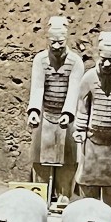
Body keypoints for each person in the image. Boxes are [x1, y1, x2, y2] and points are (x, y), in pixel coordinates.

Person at [74, 31, 111, 216]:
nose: (107, 64)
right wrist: (80, 130)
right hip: (92, 141)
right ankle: (88, 220)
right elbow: (83, 107)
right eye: (103, 60)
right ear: (97, 56)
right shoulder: (88, 78)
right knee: (88, 183)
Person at [27, 15, 84, 206]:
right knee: (40, 155)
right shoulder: (40, 60)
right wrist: (34, 111)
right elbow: (37, 87)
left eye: (60, 42)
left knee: (68, 157)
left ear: (66, 40)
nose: (57, 46)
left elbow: (74, 89)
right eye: (53, 42)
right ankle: (41, 192)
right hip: (46, 115)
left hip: (68, 117)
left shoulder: (75, 62)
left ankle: (64, 193)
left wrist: (67, 113)